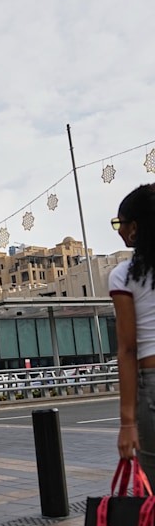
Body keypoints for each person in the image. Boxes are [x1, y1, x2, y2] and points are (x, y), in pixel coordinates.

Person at [109, 183, 155, 486]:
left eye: (119, 223)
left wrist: (127, 423)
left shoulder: (124, 275)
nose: (119, 231)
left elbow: (127, 349)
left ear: (135, 228)